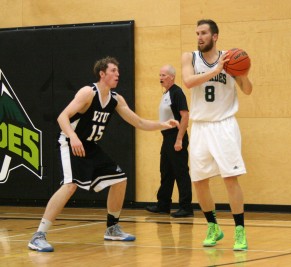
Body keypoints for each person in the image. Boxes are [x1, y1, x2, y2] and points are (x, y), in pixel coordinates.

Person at [28, 56, 179, 252]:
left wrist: (163, 124)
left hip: (90, 146)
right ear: (102, 74)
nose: (117, 74)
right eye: (113, 71)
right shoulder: (88, 92)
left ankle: (112, 228)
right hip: (69, 142)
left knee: (120, 180)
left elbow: (138, 122)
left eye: (118, 71)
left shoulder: (116, 99)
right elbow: (62, 117)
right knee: (70, 185)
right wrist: (73, 137)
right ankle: (38, 235)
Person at [181, 19, 253, 250]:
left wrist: (242, 72)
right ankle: (213, 226)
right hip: (201, 126)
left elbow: (248, 90)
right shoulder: (189, 57)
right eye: (197, 33)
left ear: (215, 36)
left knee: (230, 179)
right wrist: (215, 71)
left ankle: (240, 231)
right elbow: (188, 82)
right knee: (199, 181)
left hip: (224, 125)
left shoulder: (230, 59)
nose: (199, 37)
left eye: (203, 33)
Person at [146, 65, 193, 218]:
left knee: (181, 173)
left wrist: (179, 139)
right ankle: (163, 205)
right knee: (166, 172)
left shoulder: (177, 93)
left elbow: (185, 117)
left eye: (164, 75)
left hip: (175, 136)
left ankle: (186, 207)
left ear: (172, 77)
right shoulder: (166, 93)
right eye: (159, 74)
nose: (160, 77)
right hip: (166, 137)